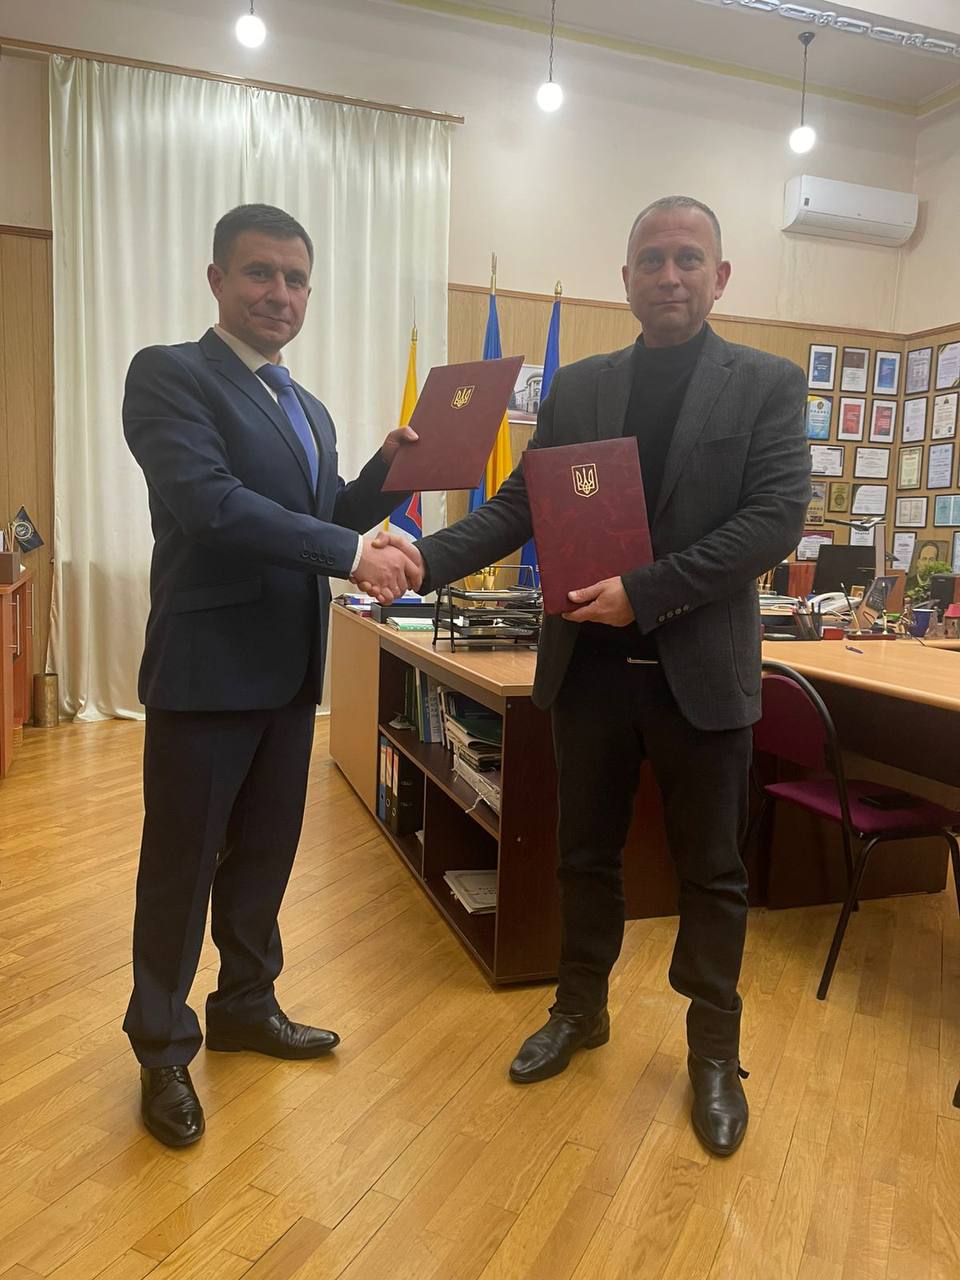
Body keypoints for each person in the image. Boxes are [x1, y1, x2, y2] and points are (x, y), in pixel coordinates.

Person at [369, 196, 811, 1156]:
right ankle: (580, 1008)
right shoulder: (581, 389)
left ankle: (712, 1050)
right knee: (583, 857)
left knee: (713, 873)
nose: (669, 275)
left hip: (701, 676)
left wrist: (643, 593)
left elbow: (772, 521)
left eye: (688, 258)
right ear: (626, 278)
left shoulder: (767, 385)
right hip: (591, 674)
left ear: (720, 277)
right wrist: (423, 558)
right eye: (651, 259)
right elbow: (517, 506)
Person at [122, 203, 417, 1147]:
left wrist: (389, 470)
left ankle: (246, 1005)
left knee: (264, 856)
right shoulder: (170, 375)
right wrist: (350, 552)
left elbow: (324, 514)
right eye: (260, 273)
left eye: (295, 279)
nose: (279, 293)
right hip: (206, 673)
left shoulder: (307, 408)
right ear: (217, 279)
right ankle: (162, 1045)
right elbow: (212, 505)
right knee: (181, 867)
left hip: (289, 675)